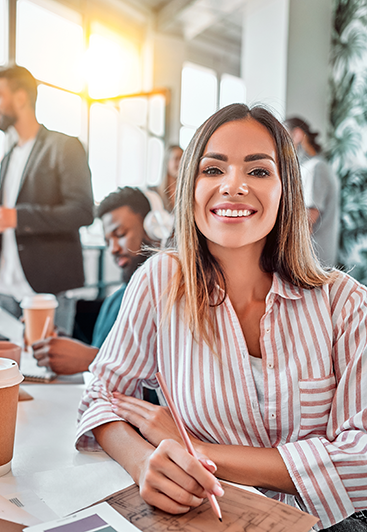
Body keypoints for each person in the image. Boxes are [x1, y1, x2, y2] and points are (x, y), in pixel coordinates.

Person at [75, 104, 367, 531]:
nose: (233, 186)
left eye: (259, 171)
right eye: (213, 170)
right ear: (191, 185)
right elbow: (101, 396)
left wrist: (189, 447)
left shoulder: (344, 302)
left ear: (286, 190)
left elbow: (362, 459)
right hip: (202, 518)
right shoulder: (160, 281)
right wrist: (143, 464)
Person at [0, 65, 94, 317]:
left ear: (21, 98)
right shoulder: (8, 158)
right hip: (5, 286)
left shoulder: (64, 147)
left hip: (47, 287)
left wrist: (19, 217)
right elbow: (9, 217)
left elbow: (83, 211)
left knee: (48, 358)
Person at [31, 187, 155, 375]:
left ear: (152, 228)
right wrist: (69, 348)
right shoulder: (115, 300)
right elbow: (101, 350)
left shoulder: (167, 301)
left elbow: (165, 384)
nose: (112, 249)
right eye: (107, 241)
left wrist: (92, 359)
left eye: (120, 234)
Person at [285, 116, 340, 267]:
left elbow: (307, 220)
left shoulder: (315, 168)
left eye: (284, 138)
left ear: (297, 135)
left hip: (313, 260)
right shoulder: (309, 167)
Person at [154, 145, 183, 212]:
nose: (180, 162)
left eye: (182, 158)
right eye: (176, 158)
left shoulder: (188, 191)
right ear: (167, 162)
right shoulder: (156, 193)